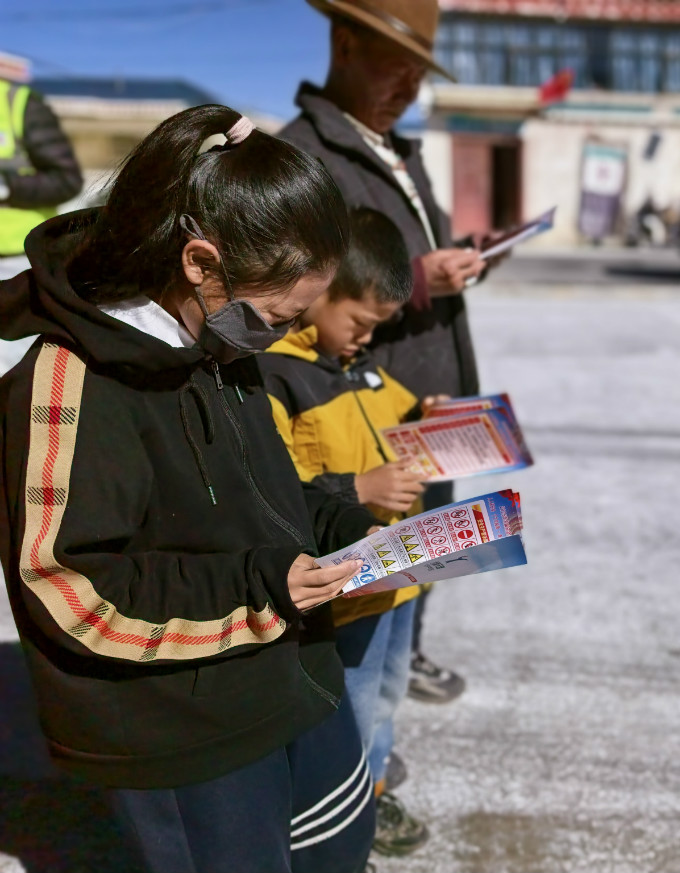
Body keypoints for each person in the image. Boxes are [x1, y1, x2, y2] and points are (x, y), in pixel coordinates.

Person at [0, 104, 381, 873]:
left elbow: (257, 494)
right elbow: (71, 590)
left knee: (330, 851)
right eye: (276, 318)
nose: (284, 337)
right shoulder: (72, 381)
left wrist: (339, 523)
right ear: (201, 263)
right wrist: (264, 586)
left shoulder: (217, 337)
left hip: (275, 676)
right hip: (179, 732)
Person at [281, 0, 487, 709]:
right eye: (398, 68)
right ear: (344, 46)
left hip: (421, 388)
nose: (410, 89)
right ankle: (353, 713)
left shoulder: (399, 150)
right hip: (359, 395)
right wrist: (417, 281)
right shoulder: (305, 155)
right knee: (366, 556)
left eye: (419, 75)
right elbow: (301, 282)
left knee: (423, 543)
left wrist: (464, 258)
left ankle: (406, 647)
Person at [261, 207, 450, 858]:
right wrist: (358, 488)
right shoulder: (277, 373)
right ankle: (340, 820)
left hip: (399, 581)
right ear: (317, 290)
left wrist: (430, 416)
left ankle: (372, 790)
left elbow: (399, 412)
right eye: (360, 322)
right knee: (352, 706)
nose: (365, 339)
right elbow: (276, 486)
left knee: (388, 695)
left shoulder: (360, 365)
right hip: (345, 589)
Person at [0, 76, 82, 373]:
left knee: (10, 367)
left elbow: (67, 180)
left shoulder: (18, 103)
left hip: (16, 264)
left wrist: (8, 187)